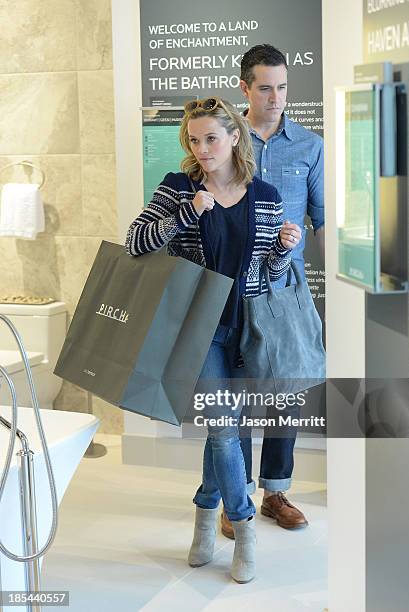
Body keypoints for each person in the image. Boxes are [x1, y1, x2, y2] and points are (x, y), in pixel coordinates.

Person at [125, 96, 302, 583]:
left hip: (247, 329)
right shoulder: (177, 188)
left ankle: (204, 524)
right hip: (199, 328)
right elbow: (135, 245)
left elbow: (268, 275)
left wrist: (284, 253)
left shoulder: (264, 195)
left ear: (233, 138)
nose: (202, 149)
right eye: (194, 140)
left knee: (220, 429)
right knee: (225, 429)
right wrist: (185, 214)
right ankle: (244, 529)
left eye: (211, 138)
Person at [220, 44, 325, 540]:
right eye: (265, 87)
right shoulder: (220, 140)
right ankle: (234, 495)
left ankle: (276, 490)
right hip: (231, 289)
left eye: (282, 87)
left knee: (287, 392)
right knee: (235, 395)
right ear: (245, 87)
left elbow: (323, 222)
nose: (276, 97)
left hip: (286, 289)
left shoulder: (310, 146)